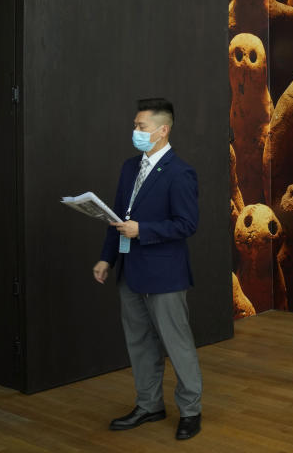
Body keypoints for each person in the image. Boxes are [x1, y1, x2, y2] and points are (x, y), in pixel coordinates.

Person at [93, 98, 203, 440]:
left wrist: (144, 230)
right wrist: (106, 259)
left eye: (141, 126)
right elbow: (117, 218)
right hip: (130, 271)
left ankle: (190, 411)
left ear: (162, 130)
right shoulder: (129, 167)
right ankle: (149, 405)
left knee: (177, 344)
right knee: (139, 343)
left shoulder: (180, 172)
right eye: (135, 125)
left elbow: (187, 224)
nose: (135, 132)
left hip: (165, 275)